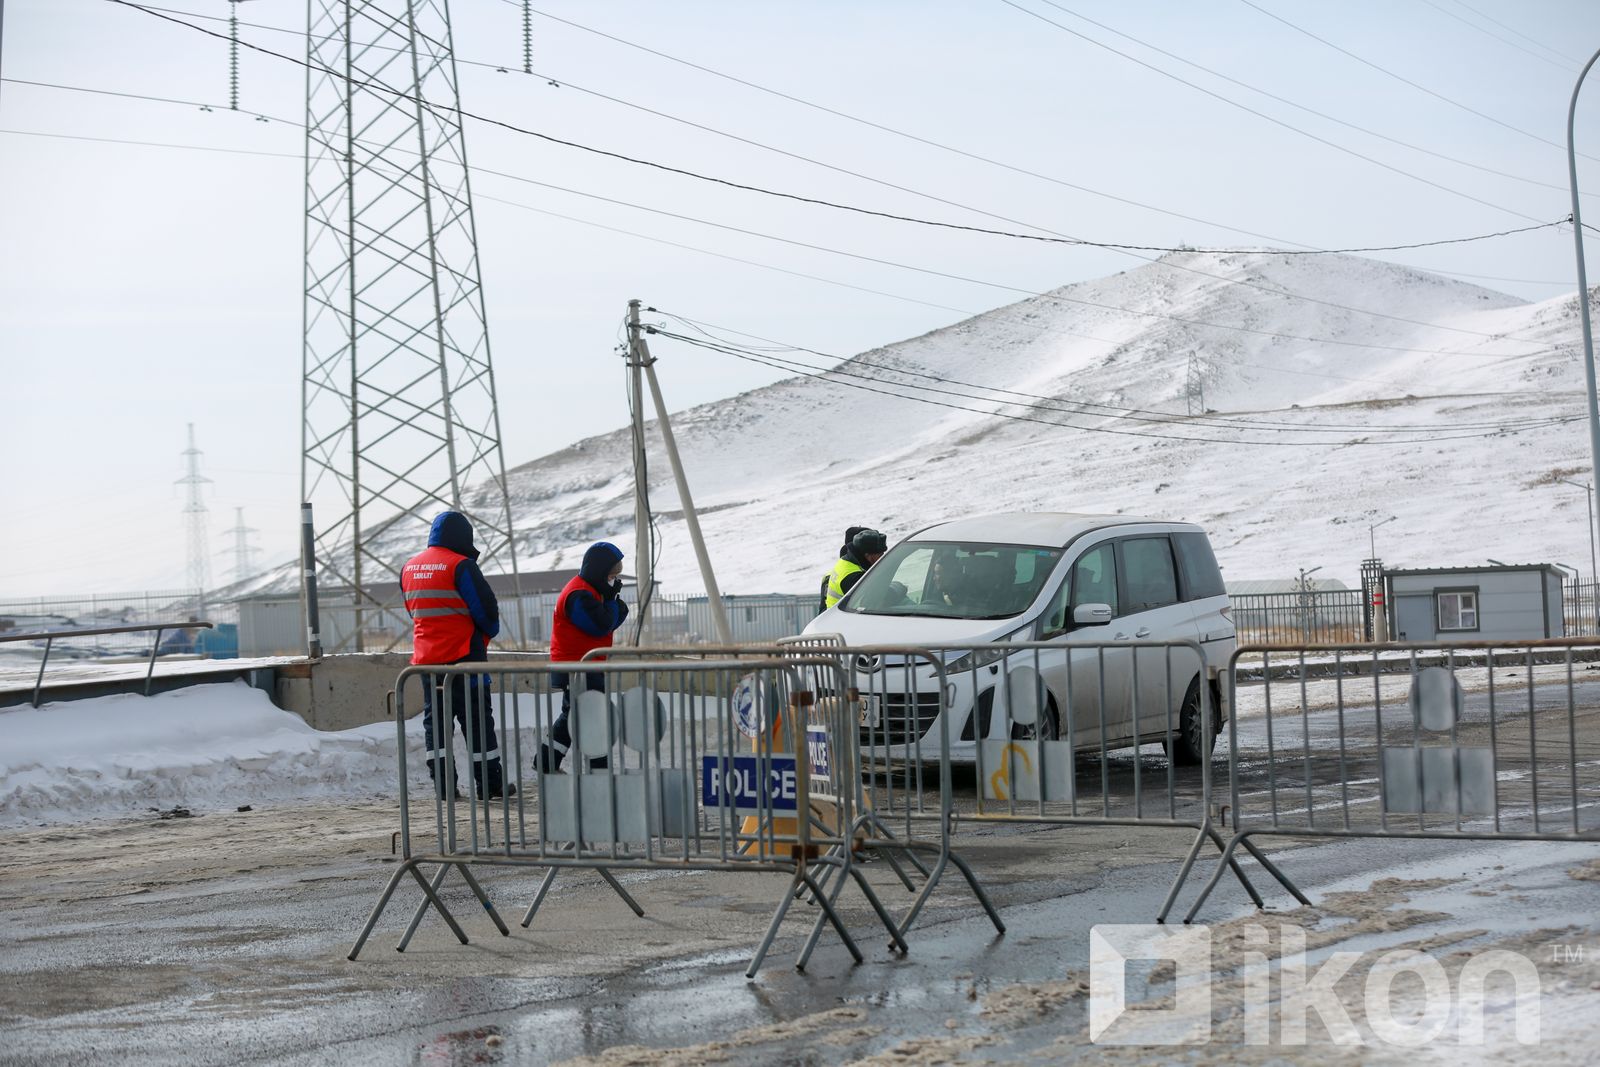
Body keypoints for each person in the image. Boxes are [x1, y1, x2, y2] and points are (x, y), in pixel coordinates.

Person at [400, 511, 511, 800]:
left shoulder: (409, 568)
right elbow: (488, 614)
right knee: (477, 723)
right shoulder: (461, 566)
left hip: (427, 664)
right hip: (466, 660)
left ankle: (444, 788)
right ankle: (489, 784)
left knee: (436, 726)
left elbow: (414, 612)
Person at [540, 541, 630, 773]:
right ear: (600, 571)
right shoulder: (579, 594)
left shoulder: (592, 591)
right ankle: (597, 771)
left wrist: (611, 607)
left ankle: (547, 763)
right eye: (611, 575)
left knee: (575, 717)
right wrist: (611, 603)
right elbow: (601, 625)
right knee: (592, 718)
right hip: (576, 667)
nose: (613, 580)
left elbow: (612, 620)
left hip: (585, 666)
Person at [823, 528, 888, 610]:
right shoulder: (853, 576)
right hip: (844, 619)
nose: (883, 557)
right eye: (880, 554)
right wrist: (896, 590)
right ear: (868, 556)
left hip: (837, 616)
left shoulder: (845, 561)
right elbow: (870, 602)